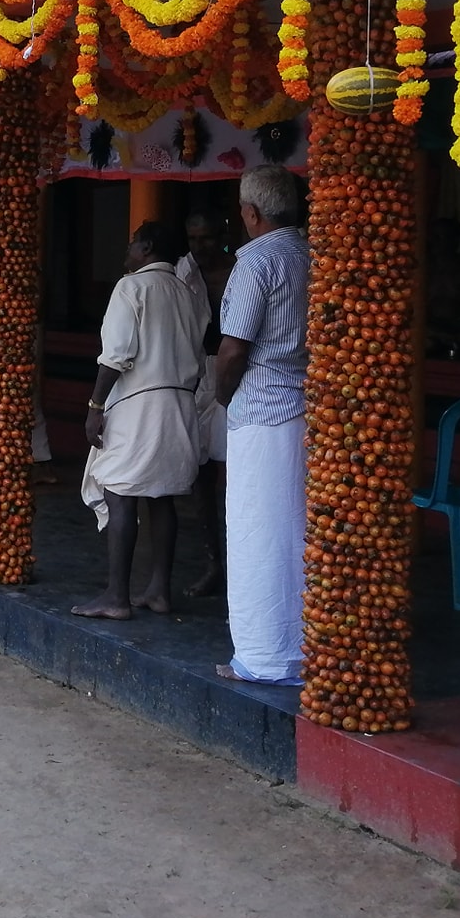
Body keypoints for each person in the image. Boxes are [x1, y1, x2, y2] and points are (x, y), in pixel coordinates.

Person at [73, 219, 209, 620]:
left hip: (138, 406)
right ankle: (159, 592)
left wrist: (95, 407)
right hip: (180, 407)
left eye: (133, 242)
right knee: (162, 497)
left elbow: (115, 354)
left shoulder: (131, 287)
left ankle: (117, 597)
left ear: (147, 248)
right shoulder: (188, 293)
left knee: (120, 493)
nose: (128, 249)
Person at [215, 164, 310, 686]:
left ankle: (266, 657)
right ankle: (301, 648)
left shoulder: (257, 260)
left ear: (251, 214)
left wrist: (219, 397)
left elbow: (234, 348)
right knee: (296, 528)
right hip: (303, 407)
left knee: (258, 533)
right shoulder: (311, 253)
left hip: (261, 410)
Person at [185, 212, 239, 598]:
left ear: (222, 236)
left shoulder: (242, 271)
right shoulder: (182, 275)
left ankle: (240, 565)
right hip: (195, 377)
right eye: (192, 239)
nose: (198, 247)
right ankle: (213, 565)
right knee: (200, 476)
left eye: (206, 239)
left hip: (236, 378)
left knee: (236, 477)